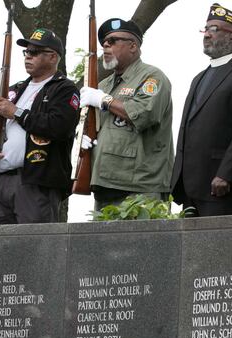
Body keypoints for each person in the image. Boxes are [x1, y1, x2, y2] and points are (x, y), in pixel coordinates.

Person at [0, 28, 80, 224]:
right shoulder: (15, 89)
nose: (28, 57)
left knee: (36, 248)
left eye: (34, 52)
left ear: (52, 57)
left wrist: (16, 112)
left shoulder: (64, 88)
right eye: (26, 52)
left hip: (36, 181)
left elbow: (60, 126)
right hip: (1, 179)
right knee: (2, 249)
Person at [171, 4, 232, 217]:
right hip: (191, 186)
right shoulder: (198, 78)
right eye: (205, 29)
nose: (207, 35)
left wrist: (226, 175)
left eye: (214, 29)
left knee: (222, 249)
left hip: (221, 186)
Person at [79, 18, 174, 211]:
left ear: (133, 46)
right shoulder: (104, 85)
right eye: (104, 42)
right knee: (102, 241)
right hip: (105, 181)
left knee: (143, 241)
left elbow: (144, 114)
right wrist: (83, 138)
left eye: (113, 41)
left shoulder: (152, 77)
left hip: (141, 185)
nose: (105, 45)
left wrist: (104, 101)